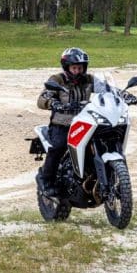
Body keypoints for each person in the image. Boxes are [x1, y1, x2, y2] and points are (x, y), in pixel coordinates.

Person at [36, 47, 94, 196]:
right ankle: (45, 179)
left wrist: (121, 94)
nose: (77, 71)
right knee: (58, 146)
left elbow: (107, 89)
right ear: (67, 67)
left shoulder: (89, 80)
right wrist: (53, 103)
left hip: (85, 122)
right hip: (62, 124)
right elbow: (42, 99)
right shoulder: (57, 80)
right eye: (74, 68)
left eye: (80, 68)